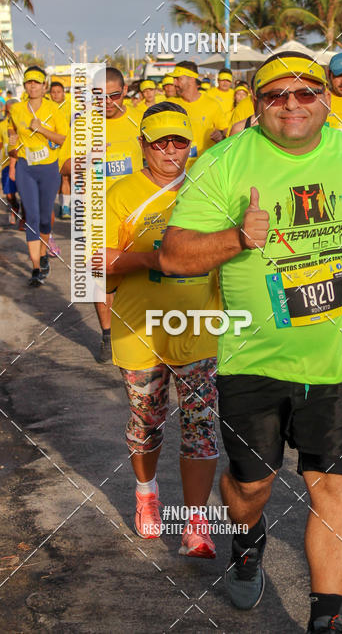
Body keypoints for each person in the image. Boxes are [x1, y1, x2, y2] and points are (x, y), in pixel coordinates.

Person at [159, 50, 342, 633]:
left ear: (326, 96)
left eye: (304, 91)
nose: (292, 104)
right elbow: (172, 255)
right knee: (251, 486)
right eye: (276, 95)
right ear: (257, 102)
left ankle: (327, 619)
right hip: (254, 359)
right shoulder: (224, 163)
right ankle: (246, 539)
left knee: (335, 485)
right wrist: (238, 238)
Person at [105, 101, 221, 556]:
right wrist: (155, 260)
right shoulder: (119, 193)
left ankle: (196, 523)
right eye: (161, 141)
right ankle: (147, 495)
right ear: (143, 145)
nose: (172, 150)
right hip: (138, 329)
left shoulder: (209, 189)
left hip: (199, 327)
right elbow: (99, 265)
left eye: (181, 141)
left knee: (200, 427)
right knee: (146, 421)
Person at [94, 67, 144, 363]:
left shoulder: (139, 120)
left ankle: (140, 331)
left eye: (113, 95)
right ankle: (107, 334)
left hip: (138, 212)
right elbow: (63, 166)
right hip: (99, 212)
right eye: (100, 96)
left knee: (138, 275)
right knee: (102, 275)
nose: (107, 102)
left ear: (124, 92)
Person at [7, 67, 67, 285]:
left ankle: (43, 253)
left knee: (44, 218)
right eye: (28, 82)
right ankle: (35, 268)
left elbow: (63, 139)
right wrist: (11, 145)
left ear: (44, 87)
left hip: (49, 168)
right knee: (31, 216)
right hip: (26, 167)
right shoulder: (17, 109)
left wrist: (42, 129)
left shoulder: (54, 109)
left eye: (36, 82)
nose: (32, 86)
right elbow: (12, 130)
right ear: (24, 86)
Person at [170, 61, 228, 159]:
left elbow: (224, 129)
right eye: (174, 79)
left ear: (192, 79)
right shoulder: (170, 105)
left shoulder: (212, 104)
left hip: (205, 167)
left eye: (178, 78)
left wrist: (220, 135)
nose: (174, 83)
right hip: (178, 168)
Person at [48, 80, 72, 220]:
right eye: (53, 92)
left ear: (63, 92)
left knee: (68, 176)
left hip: (69, 146)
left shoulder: (71, 107)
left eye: (58, 92)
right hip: (52, 148)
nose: (56, 95)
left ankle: (66, 207)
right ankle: (62, 206)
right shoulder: (47, 107)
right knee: (57, 178)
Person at [1, 99, 20, 225]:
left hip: (23, 163)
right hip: (6, 164)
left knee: (25, 193)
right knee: (9, 195)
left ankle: (25, 220)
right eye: (9, 109)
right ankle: (14, 207)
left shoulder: (24, 123)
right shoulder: (2, 125)